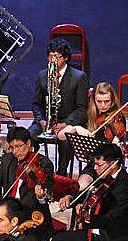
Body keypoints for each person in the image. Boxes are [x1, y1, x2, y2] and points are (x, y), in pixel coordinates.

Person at [0, 126, 57, 241]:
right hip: (6, 212)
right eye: (12, 148)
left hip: (31, 216)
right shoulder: (8, 159)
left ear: (28, 143)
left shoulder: (44, 164)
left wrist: (40, 196)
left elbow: (45, 197)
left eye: (18, 146)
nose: (15, 152)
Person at [32, 39, 90, 174]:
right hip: (45, 121)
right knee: (28, 136)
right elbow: (36, 104)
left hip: (67, 122)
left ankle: (61, 173)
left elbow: (82, 109)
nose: (52, 60)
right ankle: (38, 171)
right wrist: (42, 121)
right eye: (50, 57)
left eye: (56, 57)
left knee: (66, 140)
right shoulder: (42, 75)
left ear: (65, 58)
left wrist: (65, 124)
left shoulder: (79, 77)